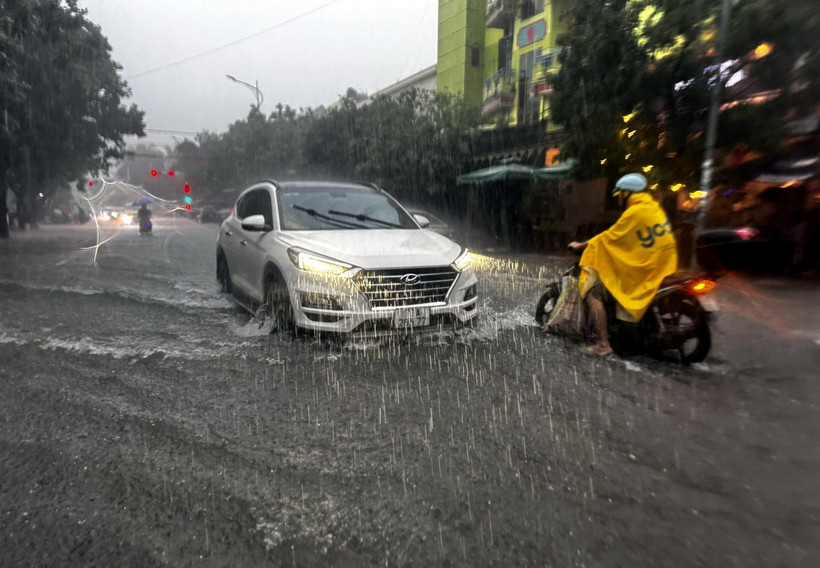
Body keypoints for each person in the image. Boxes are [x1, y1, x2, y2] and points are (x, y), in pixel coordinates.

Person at [568, 173, 678, 357]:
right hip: (661, 265)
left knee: (593, 294)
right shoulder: (653, 208)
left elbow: (609, 238)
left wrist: (581, 245)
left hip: (645, 270)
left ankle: (603, 344)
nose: (618, 199)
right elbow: (630, 242)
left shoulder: (634, 212)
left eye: (619, 195)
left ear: (627, 194)